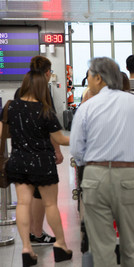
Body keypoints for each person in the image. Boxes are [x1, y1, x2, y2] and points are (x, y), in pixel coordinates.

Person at [70, 57, 134, 266]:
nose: (88, 80)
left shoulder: (87, 107)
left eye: (89, 76)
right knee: (132, 244)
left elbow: (76, 150)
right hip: (127, 176)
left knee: (102, 247)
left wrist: (91, 163)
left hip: (95, 177)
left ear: (98, 78)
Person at [4, 70, 71, 266]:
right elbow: (60, 139)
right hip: (42, 163)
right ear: (42, 87)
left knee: (23, 204)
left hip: (19, 161)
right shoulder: (45, 110)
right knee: (50, 204)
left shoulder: (11, 107)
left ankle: (26, 249)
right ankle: (61, 245)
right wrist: (82, 138)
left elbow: (2, 133)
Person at [8, 56, 61, 246]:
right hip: (41, 157)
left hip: (20, 155)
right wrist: (58, 150)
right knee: (45, 199)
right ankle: (38, 233)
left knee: (24, 200)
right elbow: (52, 128)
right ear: (47, 72)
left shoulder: (17, 94)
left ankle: (27, 243)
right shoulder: (44, 94)